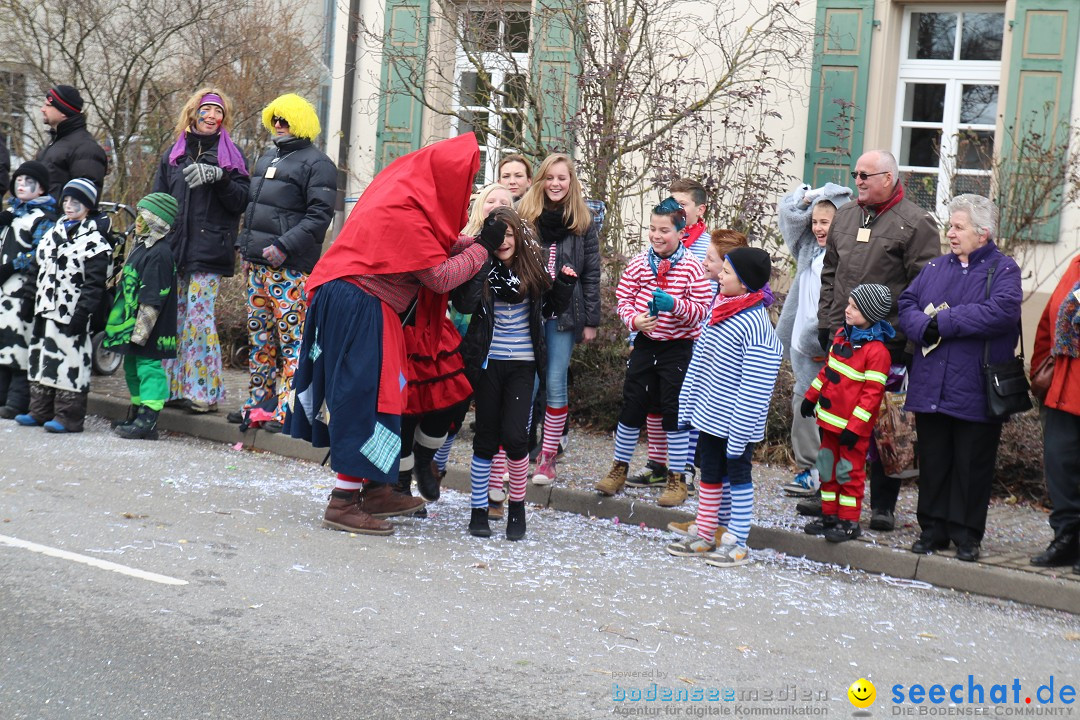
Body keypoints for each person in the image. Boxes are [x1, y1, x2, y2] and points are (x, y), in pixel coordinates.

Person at [287, 133, 500, 537]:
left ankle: (376, 487)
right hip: (358, 305)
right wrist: (482, 250)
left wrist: (473, 242)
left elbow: (440, 243)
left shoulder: (408, 196)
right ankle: (343, 502)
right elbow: (437, 276)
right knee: (364, 399)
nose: (468, 190)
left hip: (367, 305)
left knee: (388, 397)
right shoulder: (406, 209)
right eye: (467, 180)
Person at [815, 149, 941, 531]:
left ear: (889, 177)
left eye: (867, 175)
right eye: (856, 175)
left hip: (889, 342)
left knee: (882, 426)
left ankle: (882, 504)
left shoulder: (916, 223)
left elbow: (925, 287)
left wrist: (906, 339)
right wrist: (826, 321)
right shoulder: (848, 216)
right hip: (843, 338)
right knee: (836, 422)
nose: (859, 181)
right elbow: (830, 272)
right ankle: (832, 500)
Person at [898, 194, 1021, 562]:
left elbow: (1000, 312)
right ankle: (932, 530)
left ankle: (967, 536)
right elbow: (907, 304)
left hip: (977, 386)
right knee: (935, 460)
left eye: (958, 227)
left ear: (982, 233)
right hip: (931, 383)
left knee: (972, 464)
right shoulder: (935, 268)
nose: (950, 233)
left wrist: (943, 323)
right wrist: (922, 327)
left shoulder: (1004, 269)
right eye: (950, 226)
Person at [452, 205, 576, 539]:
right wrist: (481, 261)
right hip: (489, 364)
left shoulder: (531, 268)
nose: (504, 241)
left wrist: (563, 288)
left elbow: (548, 309)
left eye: (509, 234)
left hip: (523, 365)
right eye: (498, 235)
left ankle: (517, 508)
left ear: (519, 237)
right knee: (486, 438)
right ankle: (479, 509)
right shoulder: (481, 267)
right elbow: (462, 304)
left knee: (517, 437)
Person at [666, 246, 782, 567]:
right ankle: (705, 533)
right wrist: (689, 407)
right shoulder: (720, 311)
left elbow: (756, 386)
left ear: (744, 283)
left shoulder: (755, 324)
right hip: (710, 416)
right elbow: (700, 365)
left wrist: (740, 431)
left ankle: (737, 540)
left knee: (738, 475)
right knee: (711, 473)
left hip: (735, 423)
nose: (719, 274)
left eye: (727, 272)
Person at [594, 197, 711, 506]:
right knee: (633, 404)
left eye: (665, 231)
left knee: (673, 411)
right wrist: (633, 319)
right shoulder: (638, 263)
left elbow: (701, 311)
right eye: (653, 229)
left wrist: (674, 305)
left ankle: (676, 478)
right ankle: (619, 467)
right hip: (646, 344)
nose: (657, 236)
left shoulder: (692, 268)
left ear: (681, 233)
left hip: (679, 347)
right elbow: (624, 298)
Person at [231, 93, 337, 432]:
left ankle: (287, 410)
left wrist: (283, 246)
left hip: (290, 269)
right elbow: (253, 210)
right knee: (260, 338)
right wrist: (245, 250)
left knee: (293, 341)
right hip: (258, 267)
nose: (278, 125)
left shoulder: (318, 163)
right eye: (275, 119)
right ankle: (258, 404)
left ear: (301, 122)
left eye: (285, 120)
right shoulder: (266, 158)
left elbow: (320, 215)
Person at [153, 88, 250, 414]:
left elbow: (241, 201)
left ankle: (204, 392)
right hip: (175, 248)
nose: (211, 116)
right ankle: (174, 388)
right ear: (193, 113)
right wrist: (151, 242)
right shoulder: (173, 155)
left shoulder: (232, 156)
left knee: (199, 318)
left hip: (210, 250)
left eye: (217, 112)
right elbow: (157, 202)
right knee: (175, 319)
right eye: (206, 110)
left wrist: (219, 177)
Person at [517, 153, 601, 485]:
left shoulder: (583, 221)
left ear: (571, 182)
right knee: (527, 383)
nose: (555, 183)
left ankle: (548, 458)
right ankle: (518, 454)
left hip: (565, 314)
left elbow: (592, 273)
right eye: (549, 177)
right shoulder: (525, 216)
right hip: (529, 311)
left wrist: (591, 320)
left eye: (562, 178)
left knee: (553, 383)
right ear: (540, 180)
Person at [665, 228, 749, 541]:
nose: (704, 262)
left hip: (727, 404)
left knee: (727, 466)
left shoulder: (740, 310)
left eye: (711, 259)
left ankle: (723, 523)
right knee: (712, 463)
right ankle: (710, 520)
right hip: (709, 397)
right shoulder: (719, 296)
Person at [629, 178, 711, 491]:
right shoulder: (659, 241)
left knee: (682, 404)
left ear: (699, 210)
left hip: (693, 337)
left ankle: (684, 469)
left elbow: (711, 294)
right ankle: (657, 464)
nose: (675, 209)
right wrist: (637, 321)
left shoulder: (707, 246)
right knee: (655, 402)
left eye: (683, 204)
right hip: (653, 337)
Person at [15, 178, 110, 433]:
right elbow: (36, 269)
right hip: (45, 308)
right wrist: (28, 298)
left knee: (71, 361)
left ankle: (68, 416)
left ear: (88, 206)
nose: (69, 206)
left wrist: (83, 313)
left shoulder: (95, 241)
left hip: (71, 313)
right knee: (42, 357)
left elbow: (95, 284)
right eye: (66, 201)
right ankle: (40, 410)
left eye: (76, 202)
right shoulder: (52, 233)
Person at [775, 183, 852, 497]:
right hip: (802, 342)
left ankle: (828, 476)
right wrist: (809, 196)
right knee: (802, 403)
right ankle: (810, 472)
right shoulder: (808, 247)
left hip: (825, 342)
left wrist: (825, 340)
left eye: (826, 222)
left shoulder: (847, 255)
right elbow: (787, 214)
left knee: (823, 409)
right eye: (816, 222)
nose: (819, 228)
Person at [801, 284, 894, 542]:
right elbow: (827, 373)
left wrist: (855, 428)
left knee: (849, 475)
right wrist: (811, 397)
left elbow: (871, 396)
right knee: (827, 470)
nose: (847, 310)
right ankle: (830, 515)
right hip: (829, 424)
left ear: (870, 312)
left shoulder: (877, 353)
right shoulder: (843, 336)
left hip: (852, 431)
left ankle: (849, 521)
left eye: (854, 306)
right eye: (849, 304)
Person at [101, 192, 180, 439]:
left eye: (145, 216)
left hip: (149, 326)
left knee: (149, 368)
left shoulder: (160, 253)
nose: (139, 221)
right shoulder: (141, 245)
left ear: (158, 221)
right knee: (132, 366)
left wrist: (141, 331)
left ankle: (149, 418)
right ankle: (137, 410)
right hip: (131, 322)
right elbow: (127, 274)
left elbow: (153, 295)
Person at [1030, 250, 1080, 571]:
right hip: (1063, 388)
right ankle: (1067, 538)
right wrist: (1040, 370)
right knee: (1061, 466)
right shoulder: (1077, 264)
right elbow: (1050, 319)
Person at [0, 161, 58, 418]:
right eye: (19, 180)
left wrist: (13, 265)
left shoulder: (42, 218)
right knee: (2, 345)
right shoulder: (11, 215)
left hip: (23, 290)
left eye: (28, 181)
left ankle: (18, 401)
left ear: (42, 188)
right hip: (3, 292)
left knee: (20, 345)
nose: (21, 184)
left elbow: (39, 253)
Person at [35, 85, 108, 201]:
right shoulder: (54, 142)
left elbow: (84, 201)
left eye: (48, 105)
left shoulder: (86, 149)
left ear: (64, 112)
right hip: (39, 217)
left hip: (57, 218)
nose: (42, 109)